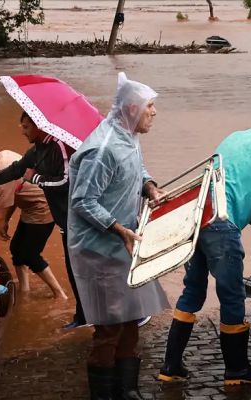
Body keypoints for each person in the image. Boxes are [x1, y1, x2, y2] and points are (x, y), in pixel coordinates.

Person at [157, 103, 251, 386]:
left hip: (199, 219)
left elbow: (226, 187)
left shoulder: (233, 138)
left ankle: (171, 366)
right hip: (222, 228)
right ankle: (237, 371)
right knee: (233, 296)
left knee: (193, 291)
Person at [68, 72, 170, 400]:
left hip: (123, 241)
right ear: (130, 109)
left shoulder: (127, 137)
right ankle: (104, 393)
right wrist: (117, 228)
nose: (154, 112)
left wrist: (150, 186)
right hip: (100, 248)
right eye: (149, 106)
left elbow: (136, 167)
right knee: (110, 325)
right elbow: (83, 201)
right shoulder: (103, 149)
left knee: (131, 318)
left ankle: (128, 390)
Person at [0, 112, 88, 328]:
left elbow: (64, 183)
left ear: (39, 126)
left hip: (56, 214)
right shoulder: (33, 151)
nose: (21, 131)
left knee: (34, 255)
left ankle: (67, 301)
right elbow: (16, 172)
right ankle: (32, 294)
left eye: (26, 127)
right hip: (52, 215)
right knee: (21, 250)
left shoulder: (57, 148)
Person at [0, 141, 68, 300]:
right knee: (16, 249)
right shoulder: (4, 155)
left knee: (30, 255)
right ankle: (25, 290)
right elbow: (15, 195)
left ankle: (59, 294)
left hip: (42, 209)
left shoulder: (3, 172)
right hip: (31, 207)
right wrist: (7, 219)